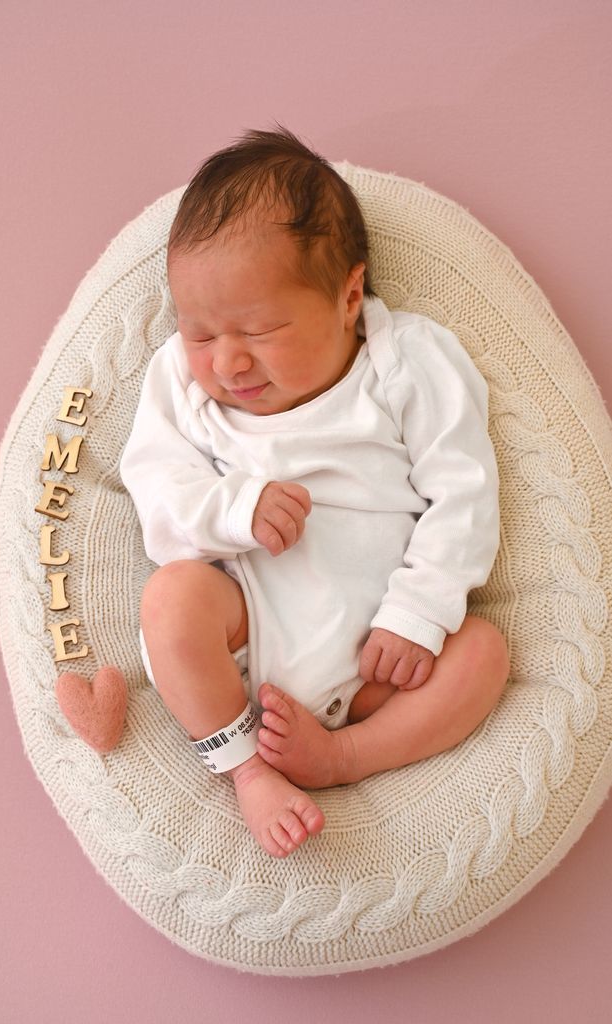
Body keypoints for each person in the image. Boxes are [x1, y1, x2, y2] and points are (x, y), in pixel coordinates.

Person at [120, 127, 509, 859]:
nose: (227, 362)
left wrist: (419, 611)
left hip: (378, 658)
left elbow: (465, 490)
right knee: (171, 601)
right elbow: (158, 494)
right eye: (200, 334)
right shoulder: (177, 380)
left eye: (259, 330)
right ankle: (247, 770)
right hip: (244, 640)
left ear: (348, 297)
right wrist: (235, 507)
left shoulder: (403, 361)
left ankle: (345, 755)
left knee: (484, 654)